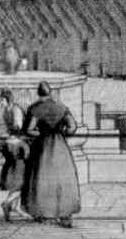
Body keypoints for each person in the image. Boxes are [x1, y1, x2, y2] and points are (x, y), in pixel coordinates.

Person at [20, 81, 81, 227]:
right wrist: (63, 133)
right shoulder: (60, 107)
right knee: (63, 178)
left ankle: (45, 215)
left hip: (43, 146)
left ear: (38, 93)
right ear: (50, 92)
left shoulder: (35, 109)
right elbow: (73, 127)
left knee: (42, 177)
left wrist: (40, 133)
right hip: (60, 146)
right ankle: (65, 215)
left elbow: (29, 129)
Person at [0, 90, 28, 222]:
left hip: (18, 144)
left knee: (22, 179)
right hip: (14, 145)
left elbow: (18, 127)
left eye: (2, 100)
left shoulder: (15, 110)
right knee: (19, 179)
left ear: (7, 99)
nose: (0, 102)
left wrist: (8, 134)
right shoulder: (6, 111)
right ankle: (10, 204)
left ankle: (12, 204)